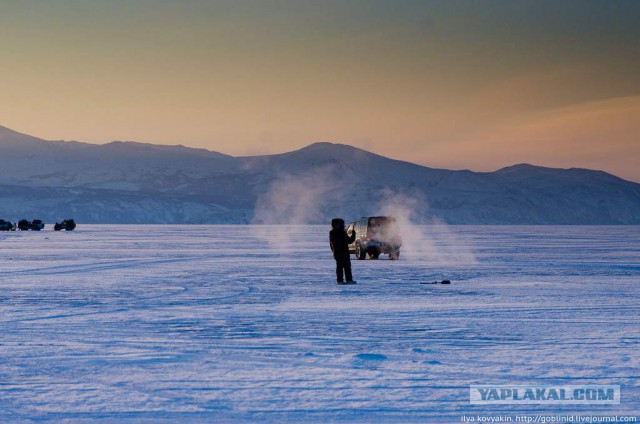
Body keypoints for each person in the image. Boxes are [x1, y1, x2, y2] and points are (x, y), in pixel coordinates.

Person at [329, 218, 356, 284]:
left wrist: (334, 250)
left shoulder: (332, 233)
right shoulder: (341, 232)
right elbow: (349, 241)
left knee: (339, 267)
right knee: (347, 267)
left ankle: (340, 280)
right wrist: (353, 235)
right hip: (344, 252)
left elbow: (331, 244)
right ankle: (348, 280)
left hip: (337, 252)